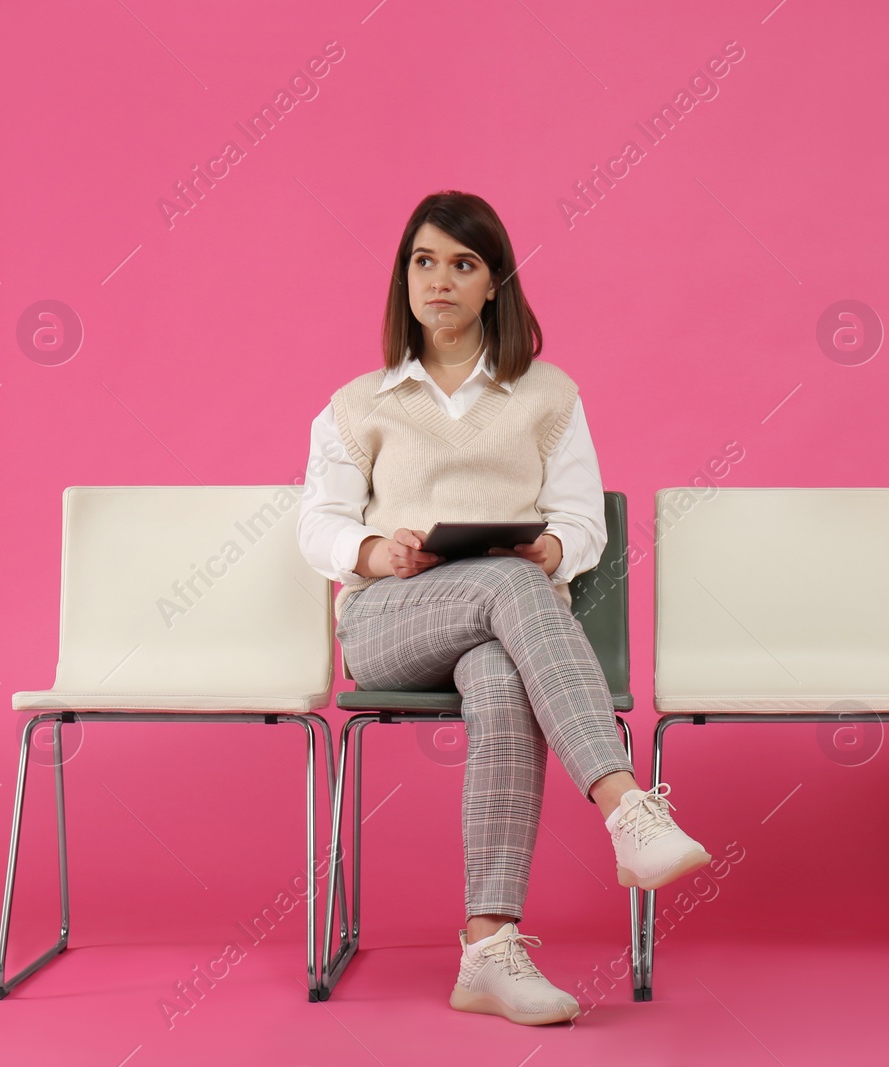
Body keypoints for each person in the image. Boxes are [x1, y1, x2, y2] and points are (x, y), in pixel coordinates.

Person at [296, 190, 710, 1026]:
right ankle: (627, 805)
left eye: (463, 263)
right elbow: (319, 525)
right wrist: (378, 553)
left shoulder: (547, 394)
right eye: (423, 261)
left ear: (494, 285)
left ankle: (488, 949)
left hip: (502, 631)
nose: (439, 279)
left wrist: (552, 549)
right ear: (403, 278)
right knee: (510, 587)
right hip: (389, 621)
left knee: (499, 674)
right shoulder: (358, 402)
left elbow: (582, 518)